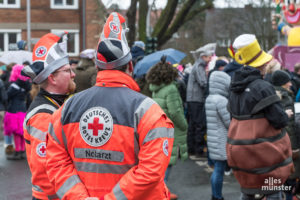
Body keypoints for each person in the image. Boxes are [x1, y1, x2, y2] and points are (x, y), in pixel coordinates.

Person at [46, 12, 174, 200]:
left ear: (97, 68)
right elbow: (150, 171)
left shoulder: (66, 108)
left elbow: (55, 162)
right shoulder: (148, 111)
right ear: (130, 66)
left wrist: (79, 197)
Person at [226, 34, 293, 200]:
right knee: (272, 190)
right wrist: (286, 114)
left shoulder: (234, 88)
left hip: (239, 153)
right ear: (261, 64)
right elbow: (280, 120)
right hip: (264, 154)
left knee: (248, 191)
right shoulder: (263, 87)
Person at [22, 31, 76, 200]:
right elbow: (44, 171)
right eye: (67, 70)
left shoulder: (55, 105)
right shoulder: (43, 115)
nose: (73, 74)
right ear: (52, 77)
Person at [146, 57, 188, 200]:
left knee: (162, 161)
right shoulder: (171, 89)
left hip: (159, 127)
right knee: (168, 162)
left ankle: (163, 190)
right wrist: (184, 125)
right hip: (171, 129)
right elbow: (175, 112)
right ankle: (160, 193)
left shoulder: (156, 88)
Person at [271, 70, 300, 200]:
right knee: (289, 180)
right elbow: (289, 126)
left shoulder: (272, 96)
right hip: (287, 143)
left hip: (275, 144)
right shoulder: (285, 98)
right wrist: (295, 148)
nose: (290, 83)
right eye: (287, 81)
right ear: (282, 83)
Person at [205, 71, 231, 200]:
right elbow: (228, 122)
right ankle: (217, 196)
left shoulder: (210, 98)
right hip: (221, 139)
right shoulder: (221, 100)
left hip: (213, 138)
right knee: (219, 170)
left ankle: (215, 195)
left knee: (217, 168)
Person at [186, 43, 214, 159]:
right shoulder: (199, 67)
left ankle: (192, 148)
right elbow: (203, 82)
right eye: (209, 57)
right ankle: (198, 149)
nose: (210, 59)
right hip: (196, 99)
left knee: (193, 124)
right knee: (198, 124)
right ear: (204, 57)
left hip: (193, 99)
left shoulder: (198, 66)